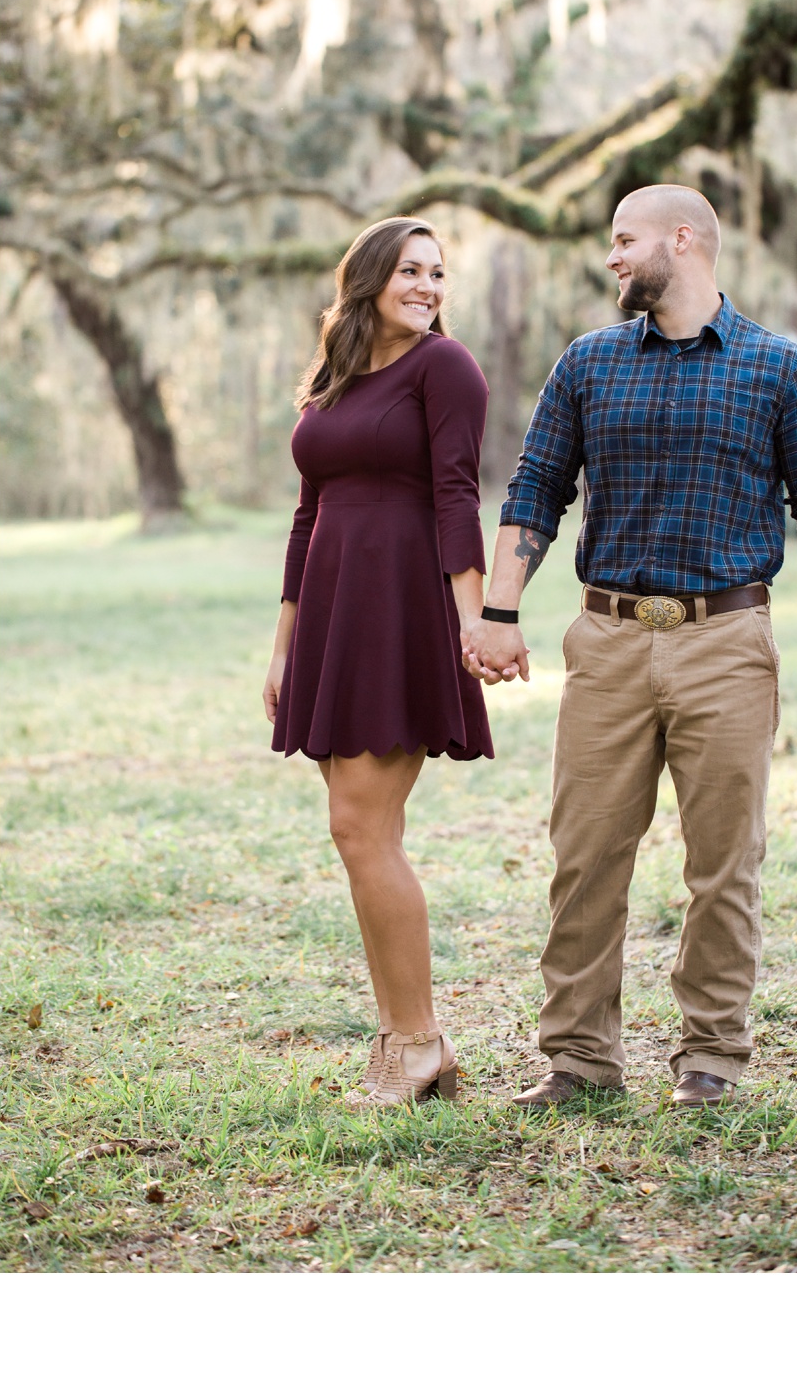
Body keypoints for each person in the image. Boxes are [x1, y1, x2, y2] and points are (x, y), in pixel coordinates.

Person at [464, 184, 797, 1111]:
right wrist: (501, 611)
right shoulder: (588, 363)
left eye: (623, 240)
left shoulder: (779, 367)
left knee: (725, 861)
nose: (611, 258)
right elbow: (535, 491)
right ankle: (577, 1060)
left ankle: (713, 1056)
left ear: (682, 241)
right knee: (586, 853)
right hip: (604, 642)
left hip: (727, 640)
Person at [265, 217, 492, 1108]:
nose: (429, 287)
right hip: (332, 618)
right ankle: (405, 1036)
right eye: (410, 270)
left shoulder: (446, 368)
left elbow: (457, 493)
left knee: (361, 827)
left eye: (438, 273)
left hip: (401, 611)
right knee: (361, 830)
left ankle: (417, 1040)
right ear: (368, 279)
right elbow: (305, 518)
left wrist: (474, 620)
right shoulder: (334, 379)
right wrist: (284, 647)